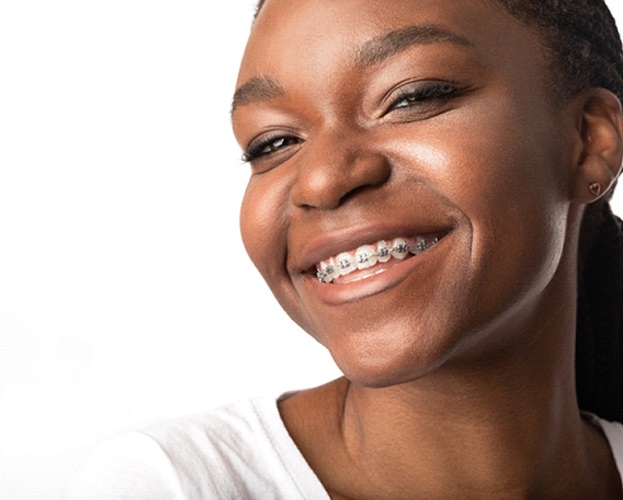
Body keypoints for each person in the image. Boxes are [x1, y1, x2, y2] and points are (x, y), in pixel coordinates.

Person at [67, 0, 623, 497]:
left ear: (588, 141)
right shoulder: (169, 485)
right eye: (274, 142)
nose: (322, 180)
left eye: (411, 97)